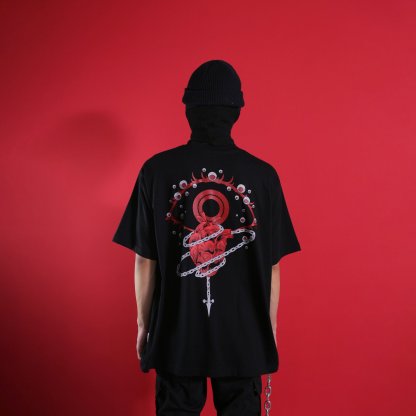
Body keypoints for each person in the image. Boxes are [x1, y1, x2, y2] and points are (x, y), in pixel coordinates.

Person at [112, 59, 301, 415]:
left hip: (176, 334)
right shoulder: (263, 176)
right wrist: (269, 329)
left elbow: (144, 260)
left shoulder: (156, 171)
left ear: (189, 108)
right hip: (243, 335)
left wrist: (144, 325)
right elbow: (272, 266)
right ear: (237, 110)